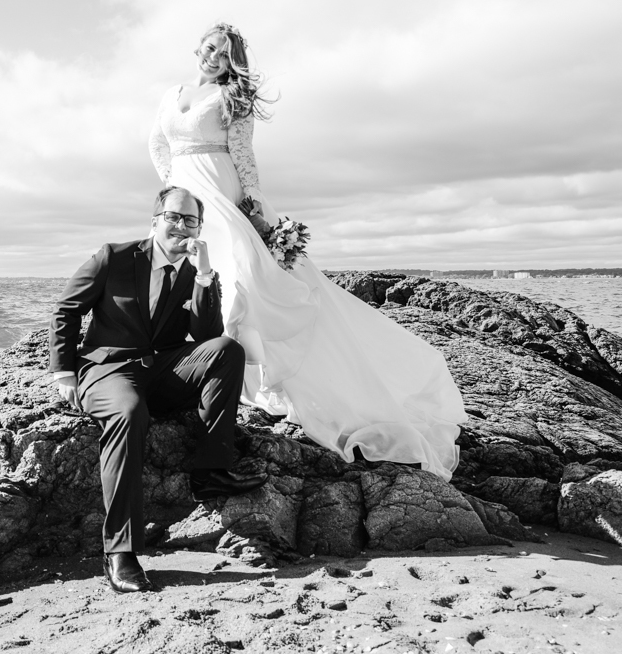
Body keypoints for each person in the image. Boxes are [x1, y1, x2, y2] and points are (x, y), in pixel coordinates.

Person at [148, 23, 468, 480]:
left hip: (220, 191)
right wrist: (172, 187)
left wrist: (254, 205)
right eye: (209, 47)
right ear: (197, 47)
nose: (213, 56)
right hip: (185, 192)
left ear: (231, 60)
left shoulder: (229, 98)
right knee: (190, 276)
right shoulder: (171, 93)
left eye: (223, 52)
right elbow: (157, 143)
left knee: (240, 276)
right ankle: (214, 370)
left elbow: (244, 154)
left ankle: (230, 372)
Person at [49, 186, 268, 593]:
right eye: (173, 217)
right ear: (155, 220)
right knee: (131, 414)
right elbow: (67, 310)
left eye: (190, 220)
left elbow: (206, 334)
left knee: (226, 351)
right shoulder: (113, 257)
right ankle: (120, 551)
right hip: (108, 369)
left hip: (162, 369)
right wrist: (64, 373)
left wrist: (205, 275)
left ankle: (210, 471)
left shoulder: (193, 270)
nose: (181, 226)